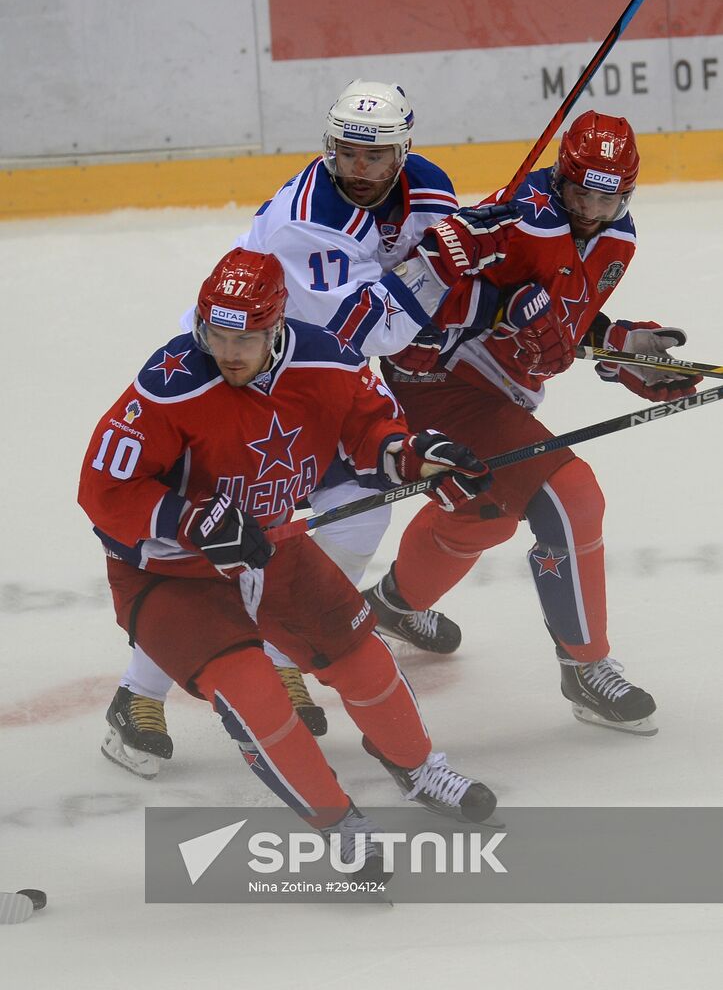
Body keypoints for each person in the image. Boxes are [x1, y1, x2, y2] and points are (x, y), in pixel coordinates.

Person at [100, 79, 491, 775]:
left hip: (316, 381)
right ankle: (136, 695)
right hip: (243, 374)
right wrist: (437, 270)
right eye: (347, 153)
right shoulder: (304, 222)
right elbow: (378, 331)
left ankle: (281, 654)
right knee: (222, 543)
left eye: (377, 156)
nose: (361, 169)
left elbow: (417, 283)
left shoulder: (427, 187)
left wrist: (474, 247)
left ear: (405, 150)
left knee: (355, 516)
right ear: (328, 147)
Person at [78, 247, 500, 876]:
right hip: (170, 574)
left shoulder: (327, 358)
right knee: (255, 694)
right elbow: (102, 489)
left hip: (270, 547)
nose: (227, 351)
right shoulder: (170, 383)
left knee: (364, 658)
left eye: (244, 337)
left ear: (277, 328)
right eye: (214, 333)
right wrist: (189, 519)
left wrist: (420, 458)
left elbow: (372, 435)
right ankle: (338, 822)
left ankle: (418, 769)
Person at [363, 110, 703, 737]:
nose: (594, 209)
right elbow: (407, 296)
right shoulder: (517, 219)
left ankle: (391, 605)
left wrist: (622, 347)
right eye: (581, 192)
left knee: (483, 512)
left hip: (496, 391)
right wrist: (487, 293)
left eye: (610, 196)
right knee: (569, 498)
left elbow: (561, 322)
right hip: (440, 382)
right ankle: (586, 666)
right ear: (559, 176)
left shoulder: (616, 239)